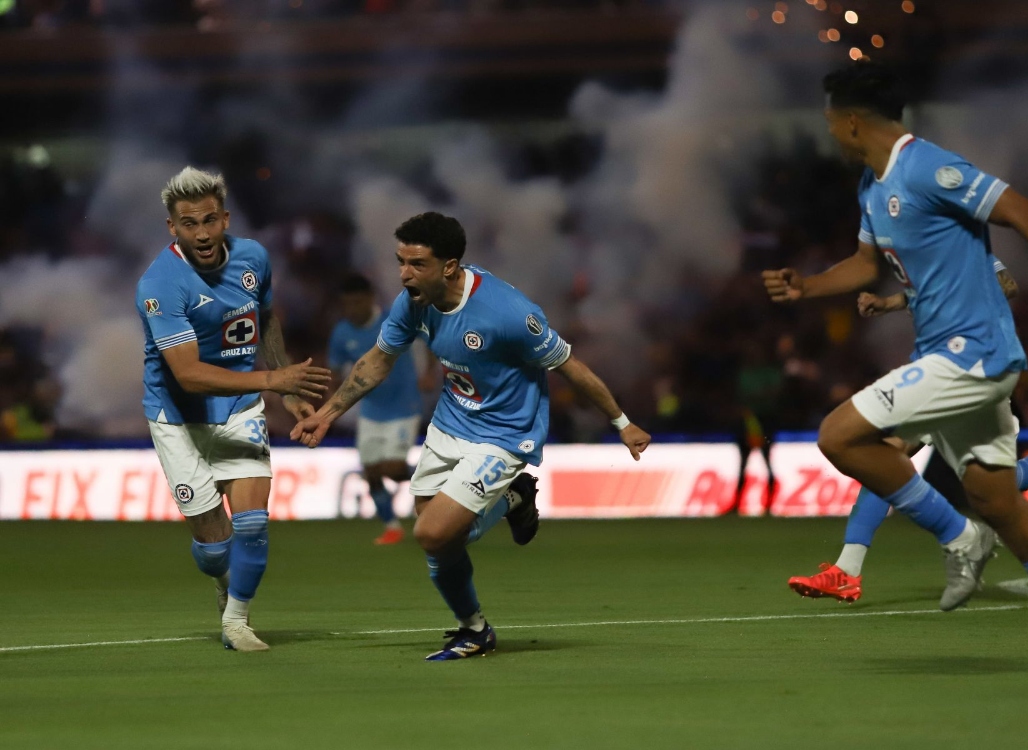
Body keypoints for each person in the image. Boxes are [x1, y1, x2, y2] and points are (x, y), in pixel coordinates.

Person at [762, 62, 1028, 674]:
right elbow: (866, 263)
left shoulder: (928, 167)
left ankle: (960, 537)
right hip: (950, 356)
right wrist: (808, 286)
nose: (828, 134)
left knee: (840, 435)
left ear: (850, 123)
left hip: (971, 354)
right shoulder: (874, 186)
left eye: (829, 123)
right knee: (998, 498)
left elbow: (1026, 213)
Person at [292, 212, 651, 661]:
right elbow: (378, 360)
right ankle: (475, 629)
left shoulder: (509, 314)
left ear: (449, 266)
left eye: (417, 264)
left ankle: (513, 497)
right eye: (401, 262)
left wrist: (621, 422)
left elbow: (569, 367)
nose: (404, 274)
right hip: (451, 423)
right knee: (438, 537)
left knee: (431, 534)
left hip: (504, 433)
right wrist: (328, 413)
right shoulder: (413, 302)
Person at [789, 259, 1028, 607]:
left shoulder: (965, 241)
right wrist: (890, 303)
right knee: (984, 480)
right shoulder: (924, 249)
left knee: (888, 458)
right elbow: (927, 291)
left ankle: (849, 569)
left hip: (972, 370)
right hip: (941, 369)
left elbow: (1006, 284)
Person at [136, 167, 331, 652]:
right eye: (189, 224)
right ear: (173, 227)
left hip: (241, 409)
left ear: (224, 219)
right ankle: (225, 586)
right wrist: (273, 380)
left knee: (252, 524)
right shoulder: (160, 284)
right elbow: (187, 374)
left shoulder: (253, 258)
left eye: (209, 220)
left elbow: (265, 317)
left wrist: (286, 387)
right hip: (178, 420)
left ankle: (238, 620)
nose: (202, 234)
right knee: (213, 549)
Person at [328, 273, 436, 545]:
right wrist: (334, 398)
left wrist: (429, 372)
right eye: (347, 304)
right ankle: (392, 527)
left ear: (370, 299)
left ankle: (440, 481)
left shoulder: (393, 320)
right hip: (371, 410)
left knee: (392, 468)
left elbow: (430, 337)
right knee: (372, 472)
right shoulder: (342, 333)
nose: (352, 309)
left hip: (404, 405)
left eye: (357, 302)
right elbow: (335, 370)